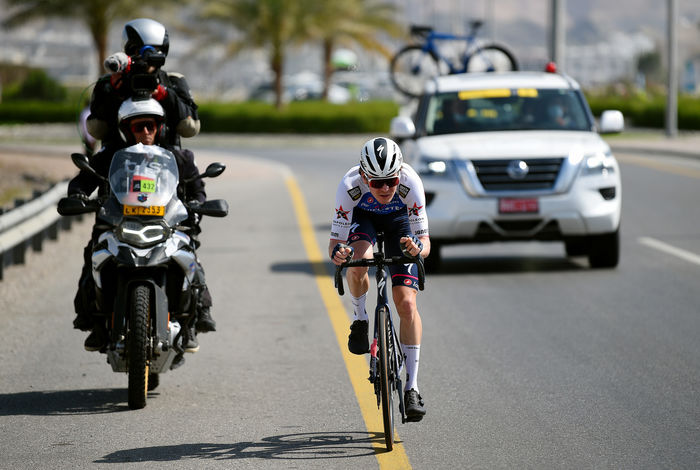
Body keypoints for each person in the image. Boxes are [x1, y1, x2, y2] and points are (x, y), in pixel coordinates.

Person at [68, 98, 215, 352]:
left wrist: (197, 206)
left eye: (150, 125)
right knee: (93, 254)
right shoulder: (110, 157)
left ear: (160, 128)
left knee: (190, 258)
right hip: (118, 224)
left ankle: (197, 315)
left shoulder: (178, 157)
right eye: (139, 127)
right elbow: (83, 179)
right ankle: (94, 321)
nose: (145, 132)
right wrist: (78, 194)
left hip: (166, 224)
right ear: (126, 129)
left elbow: (197, 187)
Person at [328, 137, 431, 422]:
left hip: (400, 220)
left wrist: (417, 249)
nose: (385, 188)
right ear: (363, 176)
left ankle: (412, 387)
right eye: (376, 183)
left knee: (406, 304)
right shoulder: (349, 187)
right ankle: (360, 319)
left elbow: (425, 241)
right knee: (358, 262)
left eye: (391, 181)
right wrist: (339, 254)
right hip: (365, 218)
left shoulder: (411, 182)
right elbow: (335, 242)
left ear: (400, 174)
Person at [87, 18, 200, 150]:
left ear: (162, 51)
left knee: (189, 166)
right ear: (128, 52)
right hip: (116, 161)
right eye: (138, 50)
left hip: (167, 161)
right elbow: (97, 130)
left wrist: (165, 94)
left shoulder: (174, 81)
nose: (144, 57)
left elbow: (190, 129)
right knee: (89, 169)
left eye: (153, 50)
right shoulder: (107, 83)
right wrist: (114, 94)